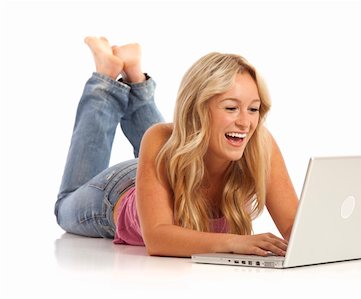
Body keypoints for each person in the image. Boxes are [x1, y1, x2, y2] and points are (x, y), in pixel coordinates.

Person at [55, 36, 299, 257]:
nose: (245, 122)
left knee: (172, 145)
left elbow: (294, 227)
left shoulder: (259, 144)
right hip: (117, 192)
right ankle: (105, 80)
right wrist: (235, 242)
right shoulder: (160, 140)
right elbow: (158, 239)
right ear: (198, 110)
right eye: (231, 108)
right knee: (65, 205)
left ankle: (134, 75)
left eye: (253, 109)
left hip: (172, 161)